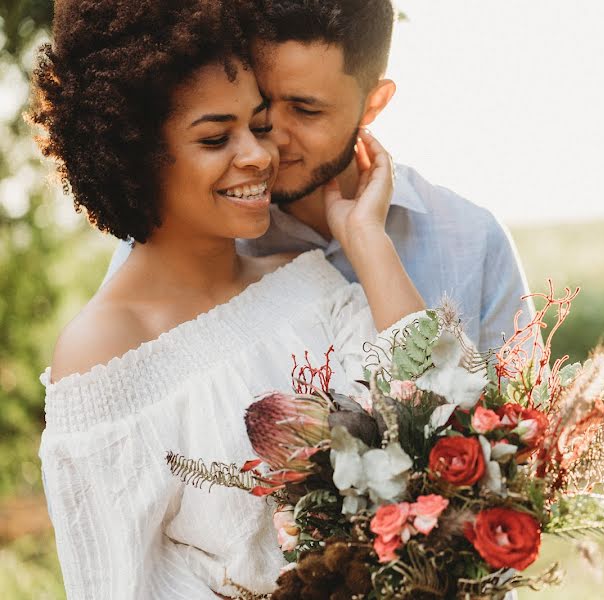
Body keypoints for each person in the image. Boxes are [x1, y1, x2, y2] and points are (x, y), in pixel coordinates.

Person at [32, 1, 424, 597]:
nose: (260, 156)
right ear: (135, 153)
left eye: (257, 125)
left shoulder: (305, 283)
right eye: (217, 137)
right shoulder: (101, 355)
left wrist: (367, 240)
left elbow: (436, 410)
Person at [102, 0, 536, 351]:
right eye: (261, 102)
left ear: (373, 104)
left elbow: (521, 440)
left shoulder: (473, 241)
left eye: (306, 110)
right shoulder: (178, 243)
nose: (269, 137)